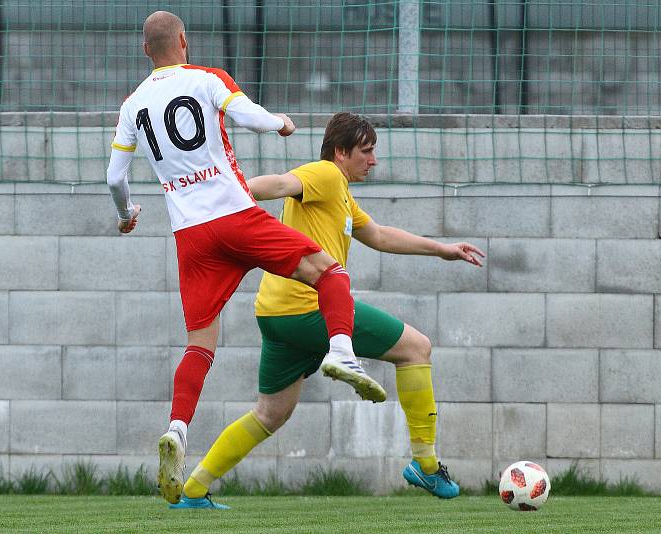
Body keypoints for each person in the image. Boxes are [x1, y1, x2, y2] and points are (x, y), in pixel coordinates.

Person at [106, 12, 385, 509]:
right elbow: (251, 117)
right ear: (185, 42)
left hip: (191, 236)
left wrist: (127, 213)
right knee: (329, 271)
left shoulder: (132, 105)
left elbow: (114, 177)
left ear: (145, 50)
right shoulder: (207, 78)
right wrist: (282, 124)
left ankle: (176, 429)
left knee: (200, 344)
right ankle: (341, 353)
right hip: (236, 216)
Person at [172, 112, 486, 509]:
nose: (373, 161)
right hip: (311, 311)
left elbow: (379, 236)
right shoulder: (325, 174)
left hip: (276, 315)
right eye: (366, 151)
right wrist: (227, 198)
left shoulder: (341, 194)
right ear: (341, 152)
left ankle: (194, 490)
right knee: (416, 348)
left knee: (270, 414)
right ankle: (425, 462)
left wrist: (444, 250)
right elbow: (282, 184)